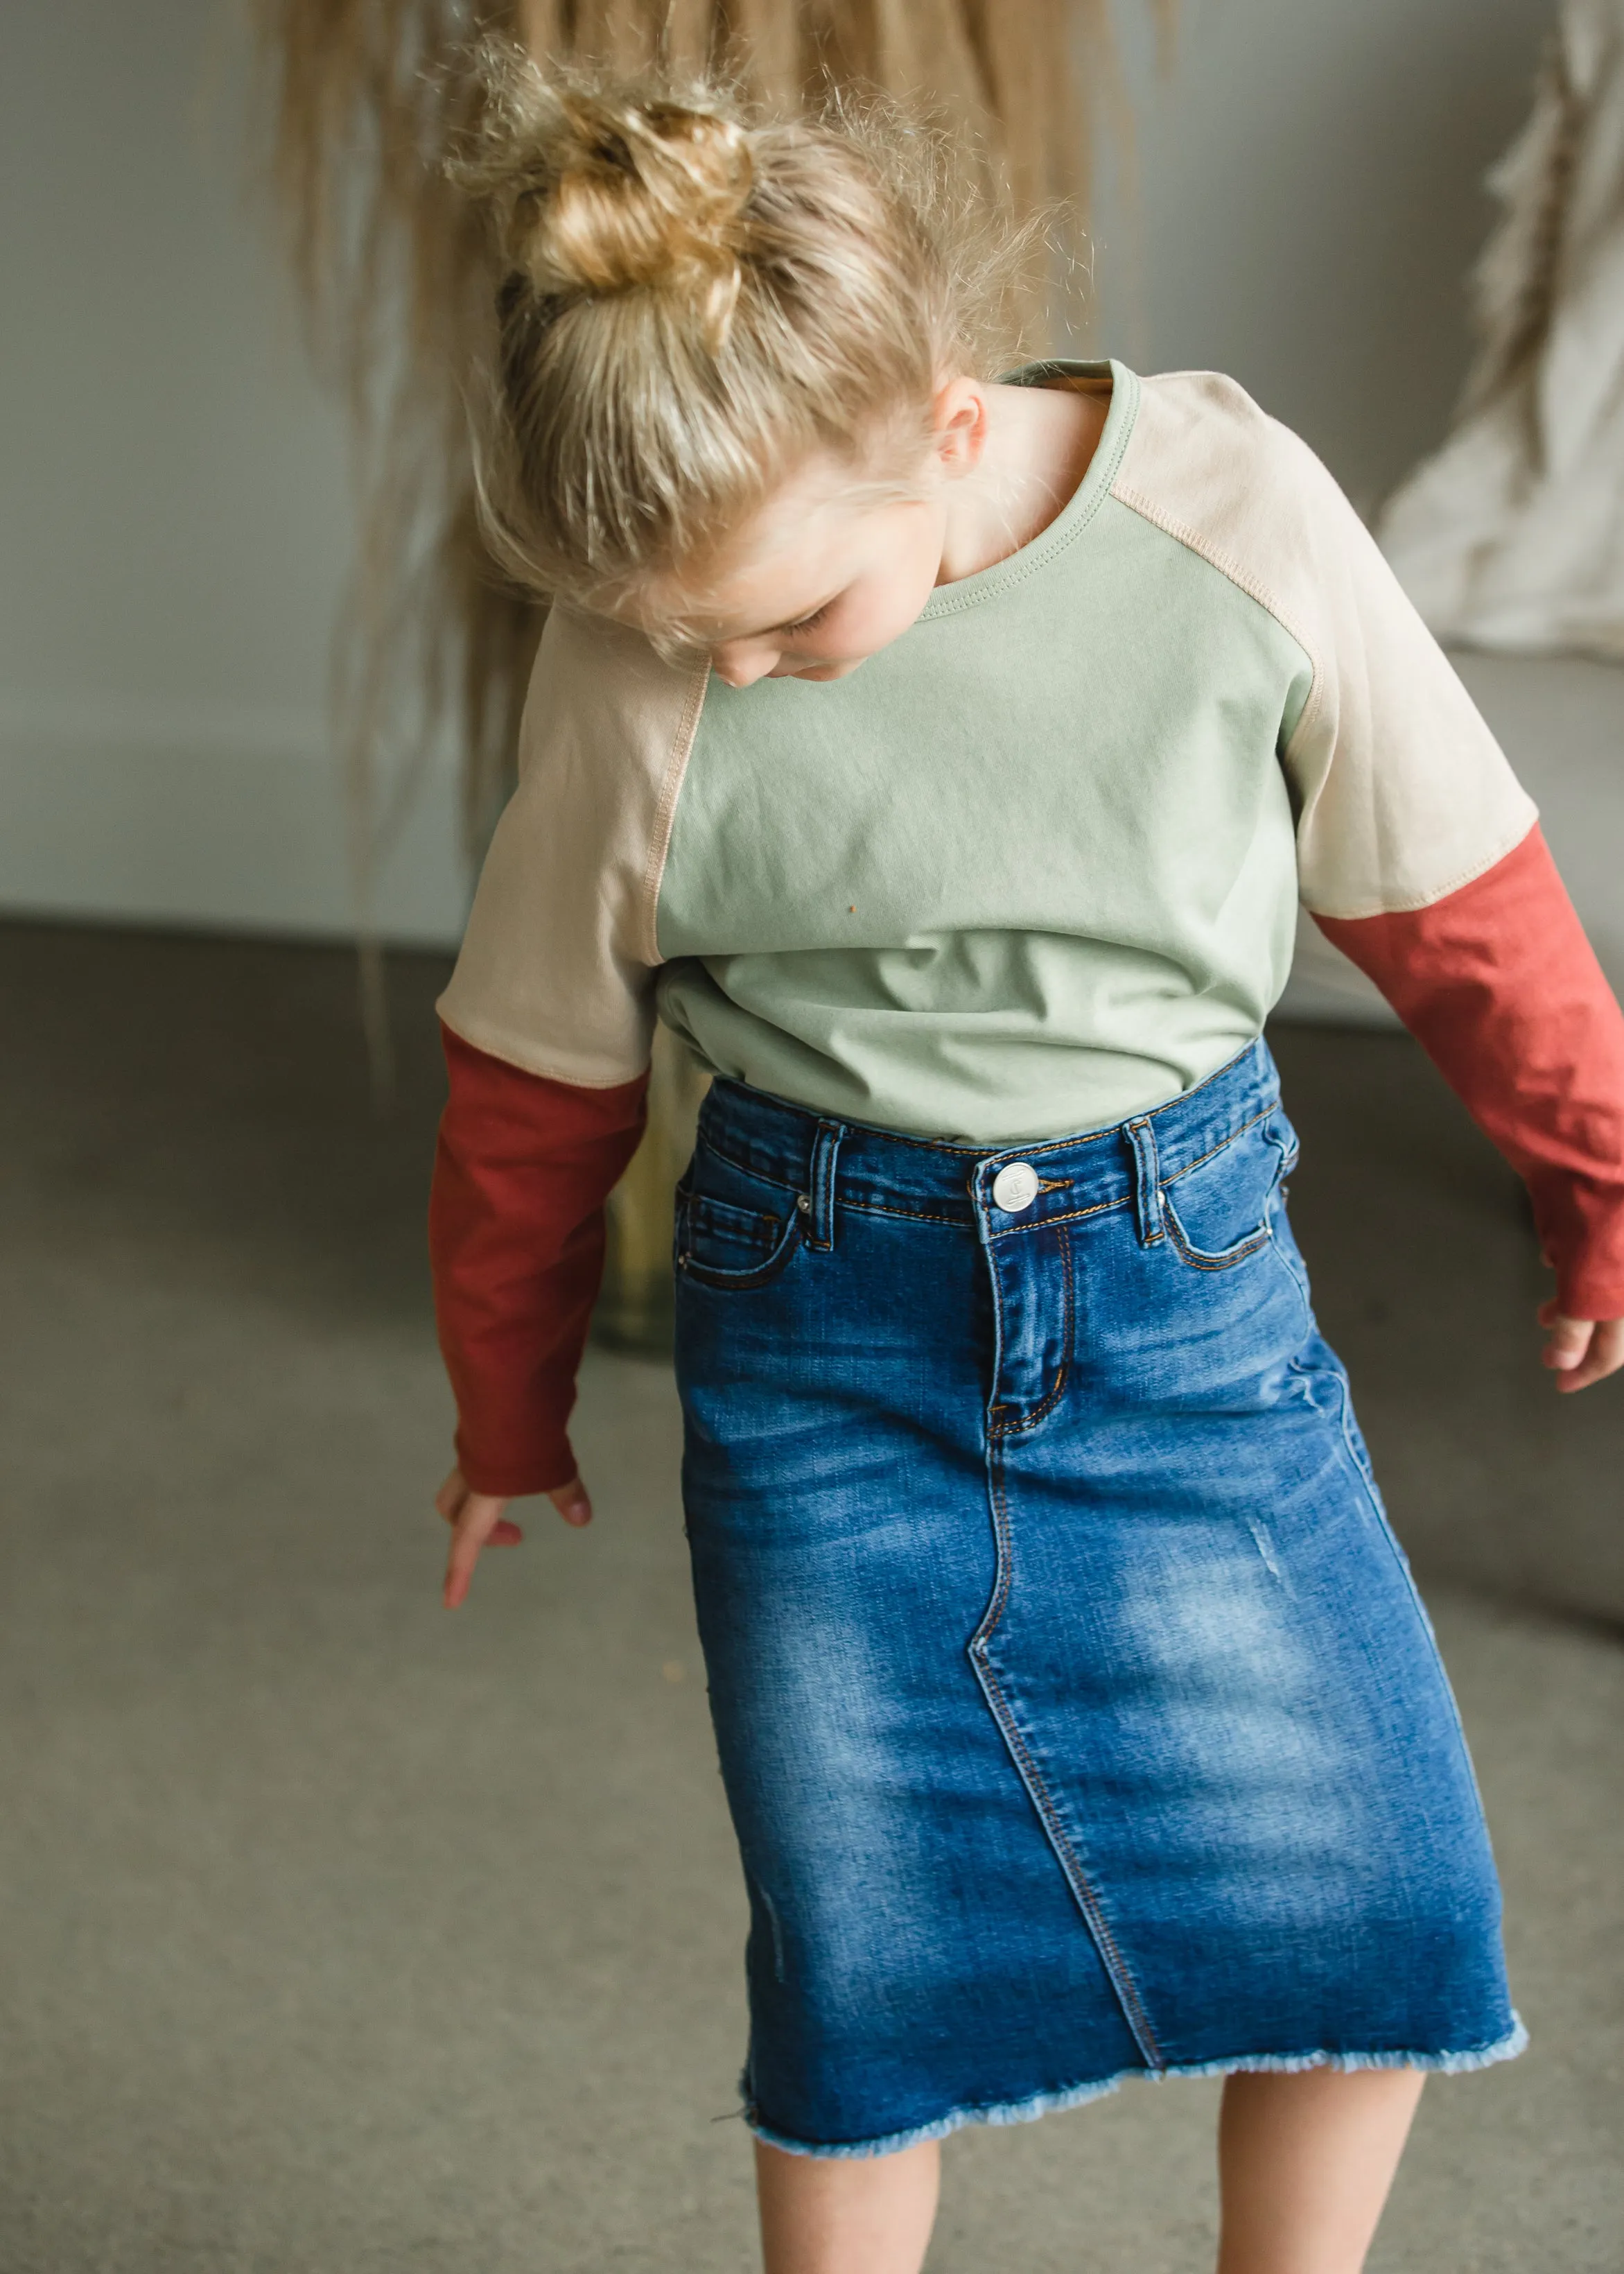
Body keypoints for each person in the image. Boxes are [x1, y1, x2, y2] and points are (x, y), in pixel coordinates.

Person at [425, 53, 1624, 2274]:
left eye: (783, 622)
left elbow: (1451, 891)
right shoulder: (635, 664)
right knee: (863, 1959)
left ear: (947, 430)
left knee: (1378, 1887)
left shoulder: (1232, 519)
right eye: (690, 637)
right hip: (819, 1336)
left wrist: (1599, 1172)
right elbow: (531, 1088)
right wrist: (503, 1404)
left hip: (1188, 1304)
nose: (735, 673)